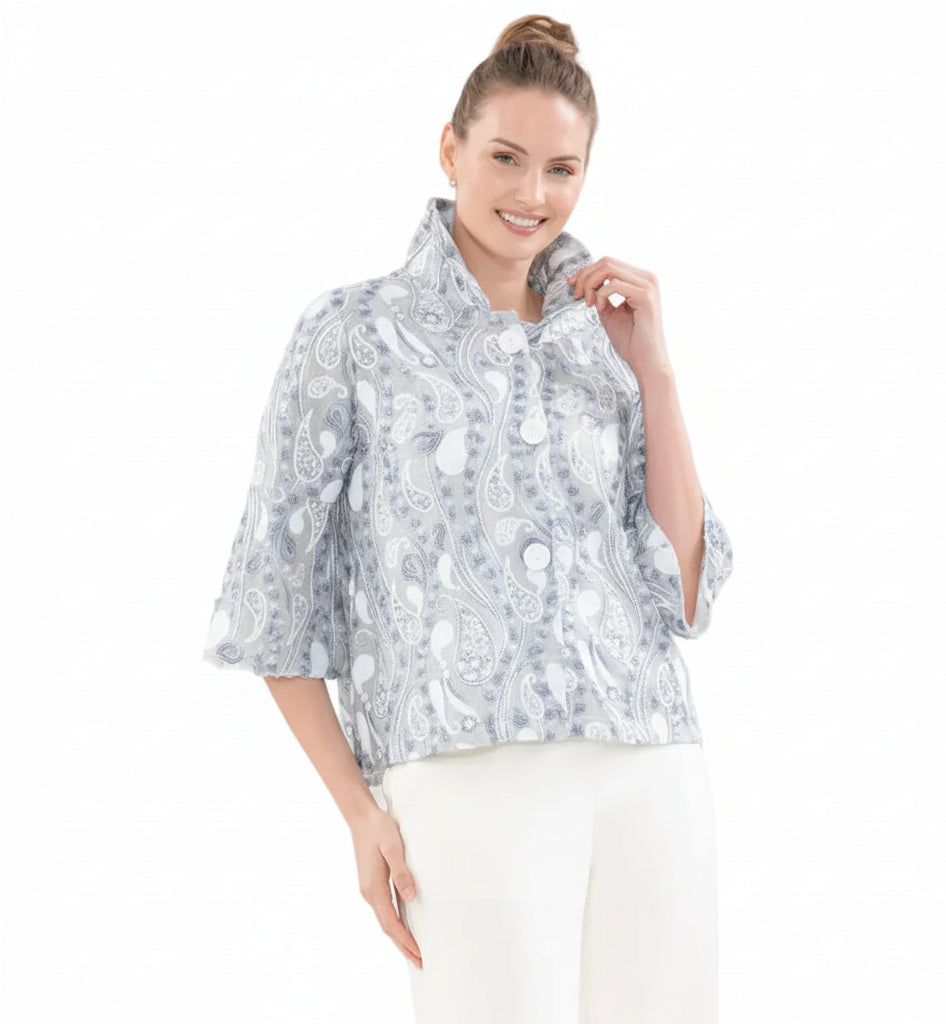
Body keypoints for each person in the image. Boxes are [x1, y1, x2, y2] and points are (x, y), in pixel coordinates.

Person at [202, 13, 734, 1023]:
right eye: (505, 157)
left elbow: (684, 589)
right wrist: (359, 811)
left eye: (562, 169)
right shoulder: (352, 333)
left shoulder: (605, 337)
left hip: (652, 759)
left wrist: (656, 374)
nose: (532, 193)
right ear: (450, 149)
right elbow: (271, 599)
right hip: (462, 772)